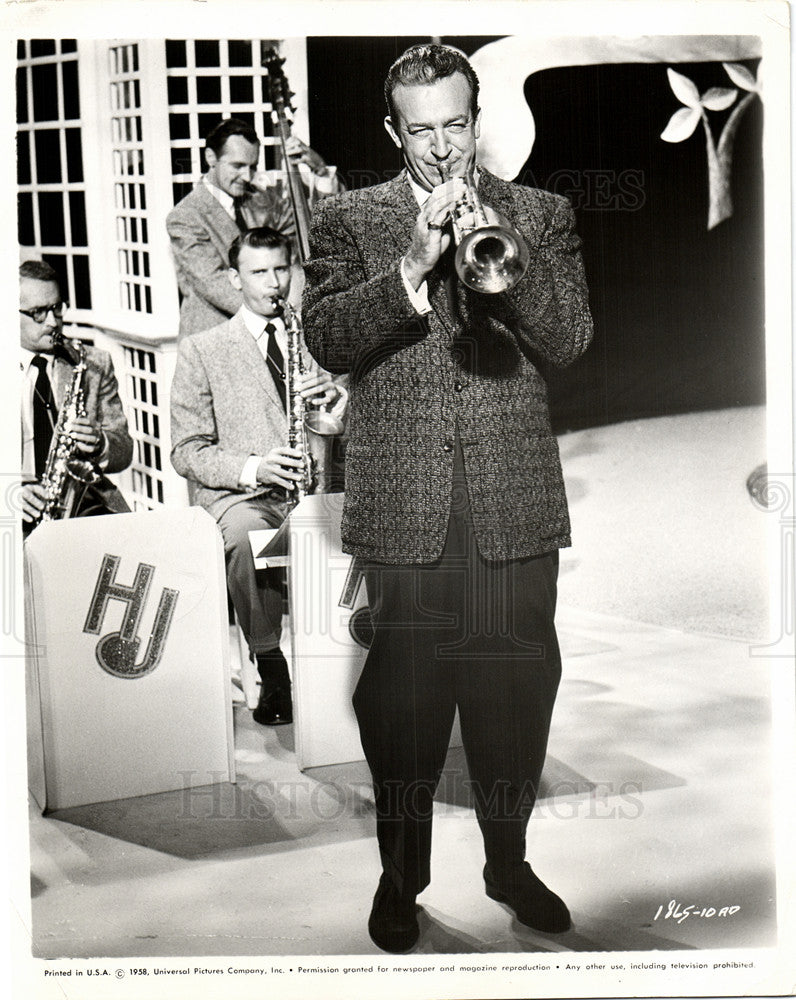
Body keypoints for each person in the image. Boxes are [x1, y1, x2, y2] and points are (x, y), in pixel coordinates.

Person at [302, 44, 593, 952]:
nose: (439, 149)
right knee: (403, 707)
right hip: (405, 502)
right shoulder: (350, 218)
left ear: (478, 120)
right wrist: (410, 268)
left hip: (512, 499)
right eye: (419, 130)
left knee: (516, 696)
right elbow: (327, 335)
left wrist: (490, 258)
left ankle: (507, 861)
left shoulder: (538, 214)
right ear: (394, 131)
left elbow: (570, 337)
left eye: (455, 126)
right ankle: (402, 876)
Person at [170, 227, 346, 726]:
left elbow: (341, 422)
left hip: (312, 487)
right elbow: (185, 450)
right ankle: (272, 666)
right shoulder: (203, 349)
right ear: (234, 278)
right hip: (246, 495)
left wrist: (338, 401)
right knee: (248, 538)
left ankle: (356, 658)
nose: (273, 283)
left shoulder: (312, 336)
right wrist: (254, 468)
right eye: (258, 272)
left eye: (280, 270)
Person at [166, 117, 342, 338]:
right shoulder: (185, 217)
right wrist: (285, 311)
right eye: (237, 166)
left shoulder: (260, 199)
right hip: (216, 339)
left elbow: (315, 230)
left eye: (252, 167)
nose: (247, 176)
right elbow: (216, 285)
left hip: (266, 333)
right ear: (211, 157)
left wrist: (321, 172)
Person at [20, 260, 132, 535]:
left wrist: (100, 442)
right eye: (37, 313)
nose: (52, 322)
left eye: (57, 308)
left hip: (83, 506)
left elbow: (124, 451)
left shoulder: (93, 362)